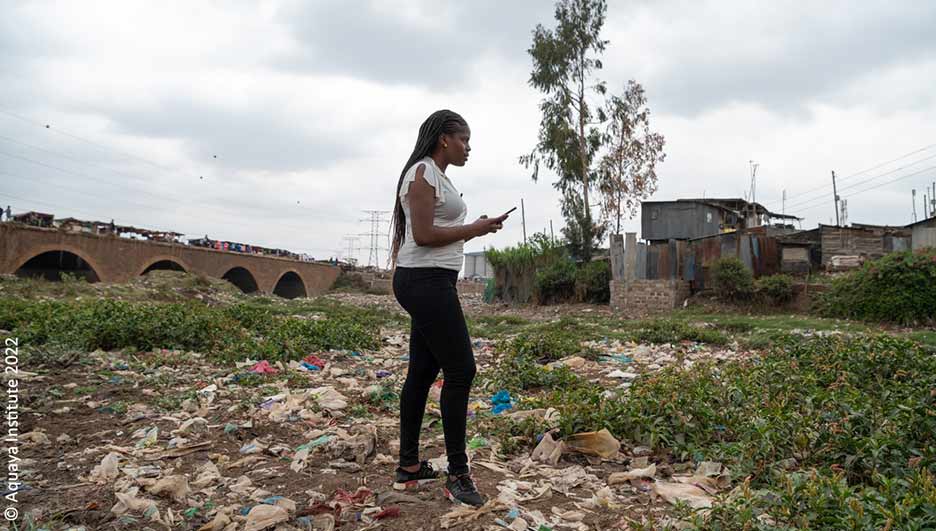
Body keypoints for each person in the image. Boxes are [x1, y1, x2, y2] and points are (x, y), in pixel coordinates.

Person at [389, 110, 508, 506]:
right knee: (462, 370)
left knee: (423, 371)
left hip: (432, 280)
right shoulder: (421, 174)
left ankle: (408, 465)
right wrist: (475, 229)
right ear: (444, 138)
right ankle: (458, 473)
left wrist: (478, 225)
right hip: (423, 281)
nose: (468, 147)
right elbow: (422, 235)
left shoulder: (437, 176)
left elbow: (436, 229)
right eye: (464, 140)